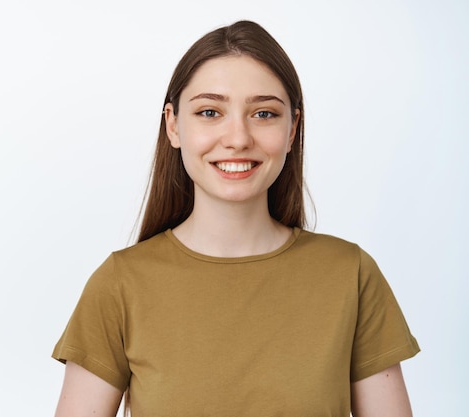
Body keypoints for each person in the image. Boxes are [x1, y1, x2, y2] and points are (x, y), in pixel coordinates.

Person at [52, 20, 419, 417]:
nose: (238, 137)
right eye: (210, 112)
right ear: (173, 125)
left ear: (293, 128)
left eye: (264, 114)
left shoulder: (351, 275)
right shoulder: (119, 285)